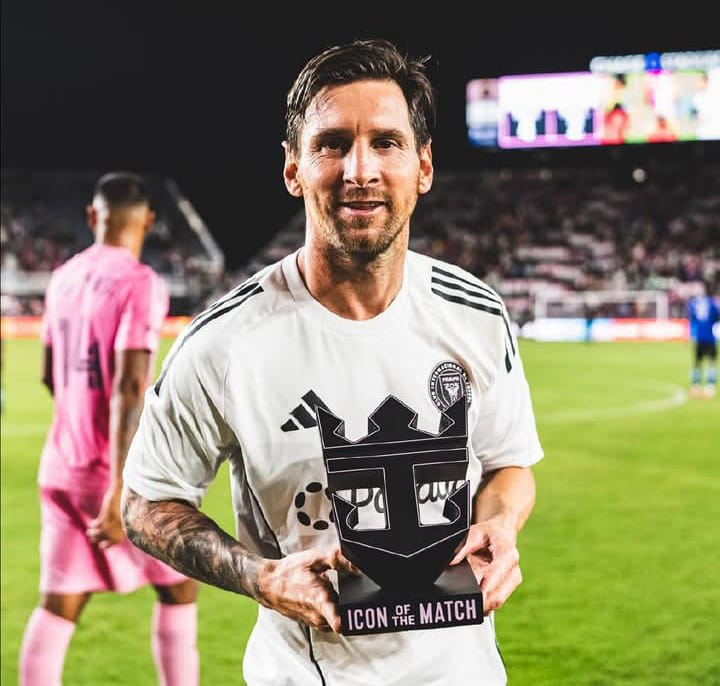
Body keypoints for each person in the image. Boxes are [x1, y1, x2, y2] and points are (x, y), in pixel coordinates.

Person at [121, 39, 543, 685]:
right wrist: (263, 578)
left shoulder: (476, 313)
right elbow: (147, 502)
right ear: (293, 169)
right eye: (332, 144)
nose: (360, 170)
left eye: (387, 142)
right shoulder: (225, 343)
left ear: (424, 166)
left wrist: (501, 523)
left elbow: (509, 462)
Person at [19, 172, 199, 686]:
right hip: (116, 474)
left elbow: (49, 375)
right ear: (148, 221)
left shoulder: (62, 278)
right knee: (180, 586)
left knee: (58, 603)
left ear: (93, 216)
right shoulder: (140, 282)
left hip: (61, 464)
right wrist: (120, 488)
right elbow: (130, 385)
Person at [687, 279, 719, 398]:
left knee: (697, 362)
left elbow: (692, 320)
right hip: (710, 337)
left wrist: (691, 335)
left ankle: (696, 386)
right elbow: (717, 318)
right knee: (711, 362)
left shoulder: (693, 303)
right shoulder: (713, 303)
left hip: (699, 337)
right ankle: (710, 387)